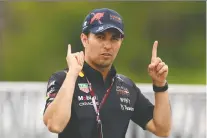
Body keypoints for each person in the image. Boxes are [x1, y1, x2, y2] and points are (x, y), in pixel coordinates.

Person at [43, 8, 172, 138]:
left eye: (114, 39)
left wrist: (160, 85)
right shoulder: (63, 78)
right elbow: (54, 125)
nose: (108, 46)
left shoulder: (126, 87)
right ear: (84, 39)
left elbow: (162, 130)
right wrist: (72, 74)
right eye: (100, 37)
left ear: (121, 42)